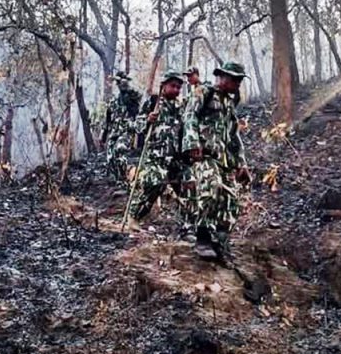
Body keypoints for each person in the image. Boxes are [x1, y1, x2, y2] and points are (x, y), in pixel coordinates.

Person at [181, 61, 251, 260]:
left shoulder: (229, 103)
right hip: (204, 154)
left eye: (240, 80)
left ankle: (220, 241)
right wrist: (192, 143)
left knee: (232, 200)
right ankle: (202, 237)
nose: (238, 84)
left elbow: (234, 136)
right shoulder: (204, 92)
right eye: (235, 80)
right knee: (212, 187)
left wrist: (242, 163)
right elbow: (190, 116)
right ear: (223, 77)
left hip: (224, 160)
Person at [127, 71, 189, 222]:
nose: (176, 90)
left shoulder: (180, 107)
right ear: (164, 86)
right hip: (156, 156)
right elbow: (136, 126)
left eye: (179, 87)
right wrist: (147, 120)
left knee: (188, 184)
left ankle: (190, 223)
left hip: (176, 157)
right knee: (155, 183)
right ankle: (133, 217)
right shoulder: (153, 102)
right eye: (173, 86)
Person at [102, 71, 141, 181]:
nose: (119, 85)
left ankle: (125, 178)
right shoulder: (114, 101)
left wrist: (127, 85)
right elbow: (108, 119)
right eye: (118, 83)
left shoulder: (131, 97)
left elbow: (138, 97)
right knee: (110, 157)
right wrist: (104, 135)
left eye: (121, 82)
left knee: (120, 149)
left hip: (127, 131)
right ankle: (117, 179)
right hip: (115, 131)